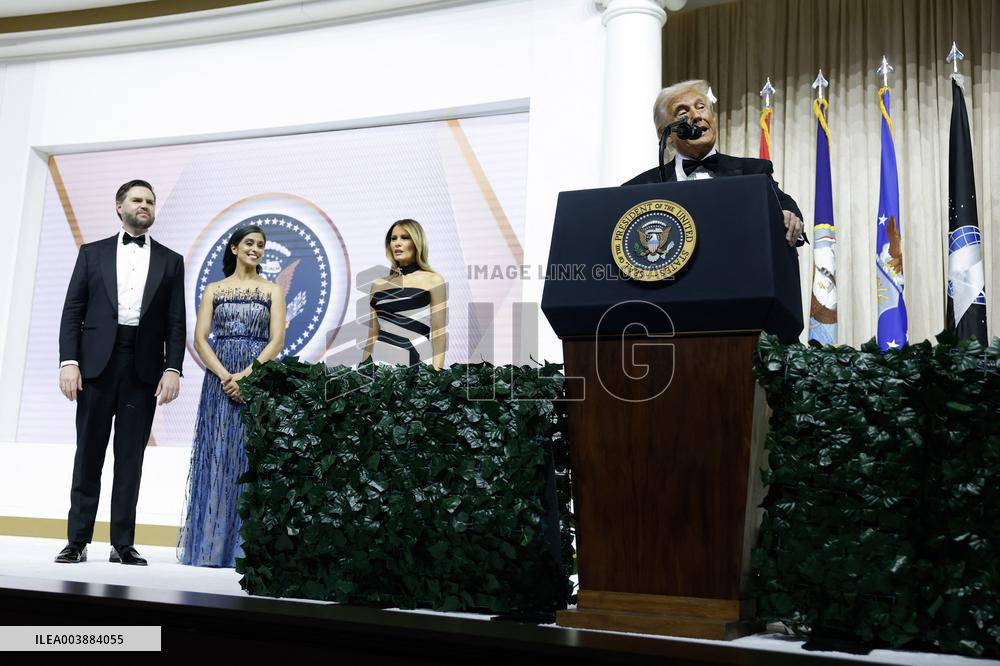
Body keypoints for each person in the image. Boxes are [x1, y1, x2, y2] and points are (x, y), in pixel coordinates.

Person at [56, 179, 185, 566]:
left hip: (142, 369)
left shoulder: (171, 260)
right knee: (88, 455)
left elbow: (176, 322)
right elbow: (72, 312)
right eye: (137, 199)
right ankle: (76, 541)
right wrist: (69, 361)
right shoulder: (91, 253)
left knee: (130, 459)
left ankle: (122, 543)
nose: (144, 205)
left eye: (150, 200)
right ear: (119, 206)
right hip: (96, 365)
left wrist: (173, 368)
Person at [177, 224, 286, 568]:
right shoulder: (214, 289)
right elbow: (200, 339)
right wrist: (225, 375)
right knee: (217, 455)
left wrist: (247, 376)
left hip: (255, 380)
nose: (256, 249)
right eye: (250, 243)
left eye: (261, 245)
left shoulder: (272, 290)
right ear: (235, 248)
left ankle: (244, 550)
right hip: (218, 381)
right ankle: (210, 547)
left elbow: (277, 341)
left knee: (248, 459)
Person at [623, 79, 805, 247]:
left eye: (701, 107)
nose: (695, 116)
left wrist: (788, 218)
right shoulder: (639, 188)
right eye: (683, 112)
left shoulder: (753, 172)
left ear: (713, 120)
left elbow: (786, 208)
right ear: (667, 135)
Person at [361, 219, 446, 369]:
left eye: (405, 238)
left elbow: (439, 333)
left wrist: (436, 374)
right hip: (380, 369)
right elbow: (373, 335)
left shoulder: (434, 280)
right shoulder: (378, 285)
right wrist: (363, 371)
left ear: (417, 242)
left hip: (417, 367)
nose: (397, 243)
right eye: (393, 239)